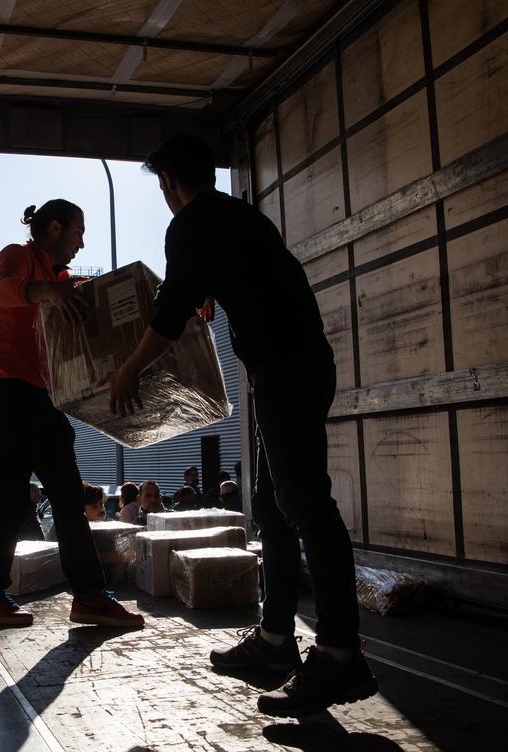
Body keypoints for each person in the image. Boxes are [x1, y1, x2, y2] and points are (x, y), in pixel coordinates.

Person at [102, 134, 376, 716]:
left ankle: (340, 656)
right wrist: (211, 292)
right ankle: (276, 641)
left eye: (162, 189)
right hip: (296, 365)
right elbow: (245, 280)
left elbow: (169, 314)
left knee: (305, 506)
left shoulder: (191, 224)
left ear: (170, 184)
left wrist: (128, 369)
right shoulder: (240, 218)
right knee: (274, 508)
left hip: (284, 370)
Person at [0, 199, 143, 629]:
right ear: (53, 227)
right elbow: (0, 291)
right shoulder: (17, 257)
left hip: (40, 397)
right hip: (5, 390)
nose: (82, 243)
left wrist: (151, 298)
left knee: (68, 496)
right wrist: (47, 291)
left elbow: (95, 296)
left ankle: (87, 596)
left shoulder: (61, 277)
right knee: (12, 499)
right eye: (77, 233)